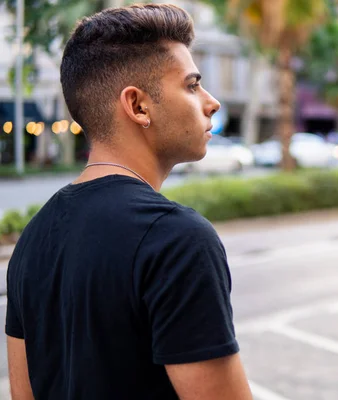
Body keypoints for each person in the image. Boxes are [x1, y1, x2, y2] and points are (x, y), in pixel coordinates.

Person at [5, 4, 253, 399]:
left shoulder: (33, 239)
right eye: (191, 85)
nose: (212, 102)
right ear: (138, 106)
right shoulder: (177, 240)